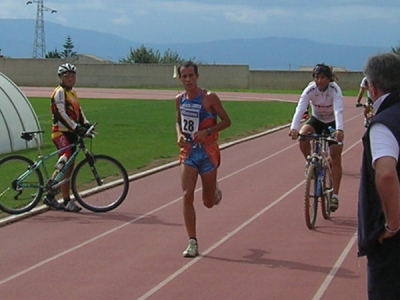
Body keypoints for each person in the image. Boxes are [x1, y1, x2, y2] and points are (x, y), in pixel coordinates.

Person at [175, 61, 231, 257]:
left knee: (207, 202)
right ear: (180, 78)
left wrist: (207, 131)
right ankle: (192, 241)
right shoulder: (179, 99)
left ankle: (214, 192)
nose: (188, 80)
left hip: (208, 153)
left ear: (197, 77)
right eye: (184, 76)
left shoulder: (209, 98)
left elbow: (227, 121)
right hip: (189, 153)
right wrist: (179, 135)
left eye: (191, 75)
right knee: (187, 194)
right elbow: (178, 121)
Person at [357, 52, 400, 300]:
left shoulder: (384, 123)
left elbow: (385, 174)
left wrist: (392, 225)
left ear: (372, 87)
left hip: (392, 246)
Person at [289, 63, 344, 212]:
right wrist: (294, 128)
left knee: (335, 154)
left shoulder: (335, 90)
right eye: (317, 77)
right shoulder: (310, 89)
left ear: (329, 78)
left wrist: (340, 130)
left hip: (332, 123)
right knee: (303, 135)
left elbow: (338, 111)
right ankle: (310, 162)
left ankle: (335, 196)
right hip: (317, 120)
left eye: (323, 77)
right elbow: (300, 108)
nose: (319, 81)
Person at [43, 63, 91, 212]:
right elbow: (61, 114)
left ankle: (51, 196)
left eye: (72, 76)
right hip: (60, 132)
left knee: (69, 167)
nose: (70, 79)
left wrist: (87, 124)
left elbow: (79, 112)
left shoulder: (73, 93)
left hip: (71, 133)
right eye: (67, 76)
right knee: (67, 158)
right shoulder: (59, 92)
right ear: (60, 78)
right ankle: (66, 200)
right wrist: (77, 127)